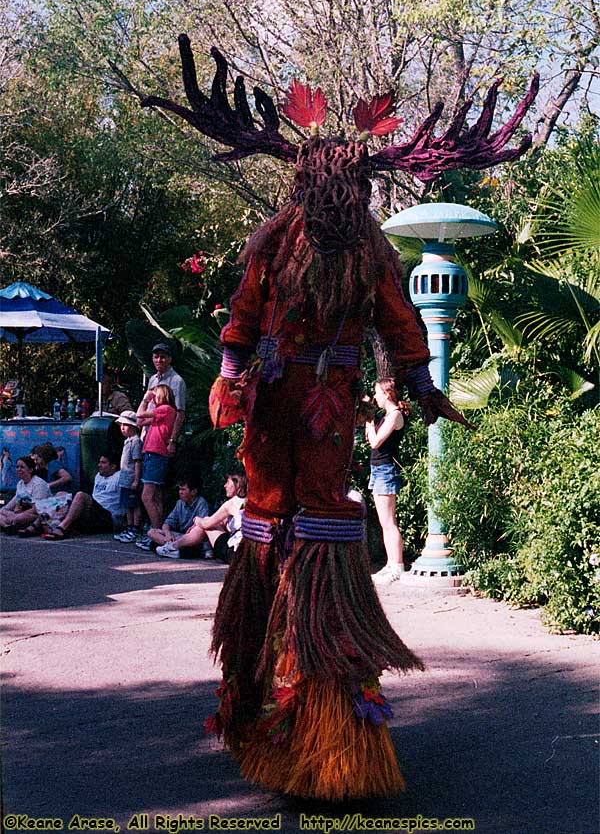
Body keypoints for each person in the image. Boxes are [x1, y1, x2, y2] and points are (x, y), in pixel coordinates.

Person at [142, 43, 530, 800]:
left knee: (318, 521)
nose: (334, 196)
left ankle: (328, 726)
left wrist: (421, 384)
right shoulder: (278, 241)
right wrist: (228, 377)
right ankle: (260, 709)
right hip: (270, 411)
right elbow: (244, 318)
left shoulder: (371, 251)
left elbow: (400, 322)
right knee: (265, 523)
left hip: (325, 411)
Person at [365, 379, 411, 585]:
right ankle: (391, 563)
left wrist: (370, 419)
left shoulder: (395, 416)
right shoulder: (387, 416)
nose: (375, 397)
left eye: (377, 393)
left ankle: (397, 566)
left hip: (385, 470)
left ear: (387, 394)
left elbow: (375, 441)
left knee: (389, 522)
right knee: (384, 522)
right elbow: (372, 441)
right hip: (378, 469)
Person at [157, 472, 247, 561]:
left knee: (206, 521)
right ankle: (177, 546)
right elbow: (222, 523)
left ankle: (173, 547)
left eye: (228, 482)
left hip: (235, 553)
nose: (224, 486)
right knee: (151, 532)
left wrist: (197, 520)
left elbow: (206, 524)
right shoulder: (249, 501)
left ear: (237, 484)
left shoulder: (232, 503)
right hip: (247, 550)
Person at [43, 454, 121, 539]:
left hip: (108, 517)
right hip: (93, 514)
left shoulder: (119, 477)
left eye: (103, 463)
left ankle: (61, 528)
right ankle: (46, 524)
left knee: (81, 495)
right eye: (99, 462)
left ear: (113, 466)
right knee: (61, 494)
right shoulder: (99, 476)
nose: (99, 465)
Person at [137, 384, 177, 529]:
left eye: (156, 395)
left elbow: (139, 414)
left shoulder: (165, 409)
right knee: (156, 496)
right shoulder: (162, 413)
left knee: (146, 496)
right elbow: (140, 422)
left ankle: (155, 530)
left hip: (155, 453)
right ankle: (158, 528)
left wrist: (146, 400)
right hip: (153, 453)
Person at [138, 473, 209, 553]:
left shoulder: (201, 503)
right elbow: (167, 522)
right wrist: (168, 534)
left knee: (198, 533)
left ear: (193, 492)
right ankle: (175, 547)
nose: (180, 492)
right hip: (180, 536)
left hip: (191, 537)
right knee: (151, 532)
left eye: (183, 489)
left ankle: (173, 546)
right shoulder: (179, 503)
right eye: (179, 489)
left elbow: (203, 525)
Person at [137, 343, 186, 456]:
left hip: (162, 439)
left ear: (169, 359)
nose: (159, 360)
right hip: (148, 437)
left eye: (162, 357)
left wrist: (172, 441)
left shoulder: (177, 381)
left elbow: (180, 413)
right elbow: (148, 406)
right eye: (156, 357)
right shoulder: (153, 379)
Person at [113, 411, 143, 543]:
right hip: (124, 480)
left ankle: (135, 529)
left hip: (131, 480)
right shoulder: (127, 441)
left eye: (125, 425)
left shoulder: (136, 442)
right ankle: (129, 527)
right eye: (121, 425)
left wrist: (136, 480)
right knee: (127, 505)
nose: (122, 428)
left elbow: (137, 462)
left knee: (134, 505)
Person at [0, 456, 51, 534]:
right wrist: (4, 511)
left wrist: (16, 516)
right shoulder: (20, 483)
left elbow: (36, 509)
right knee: (2, 512)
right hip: (20, 513)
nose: (19, 469)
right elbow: (13, 504)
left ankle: (9, 524)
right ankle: (7, 527)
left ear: (30, 470)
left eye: (22, 467)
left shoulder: (38, 484)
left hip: (38, 515)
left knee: (19, 518)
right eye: (17, 467)